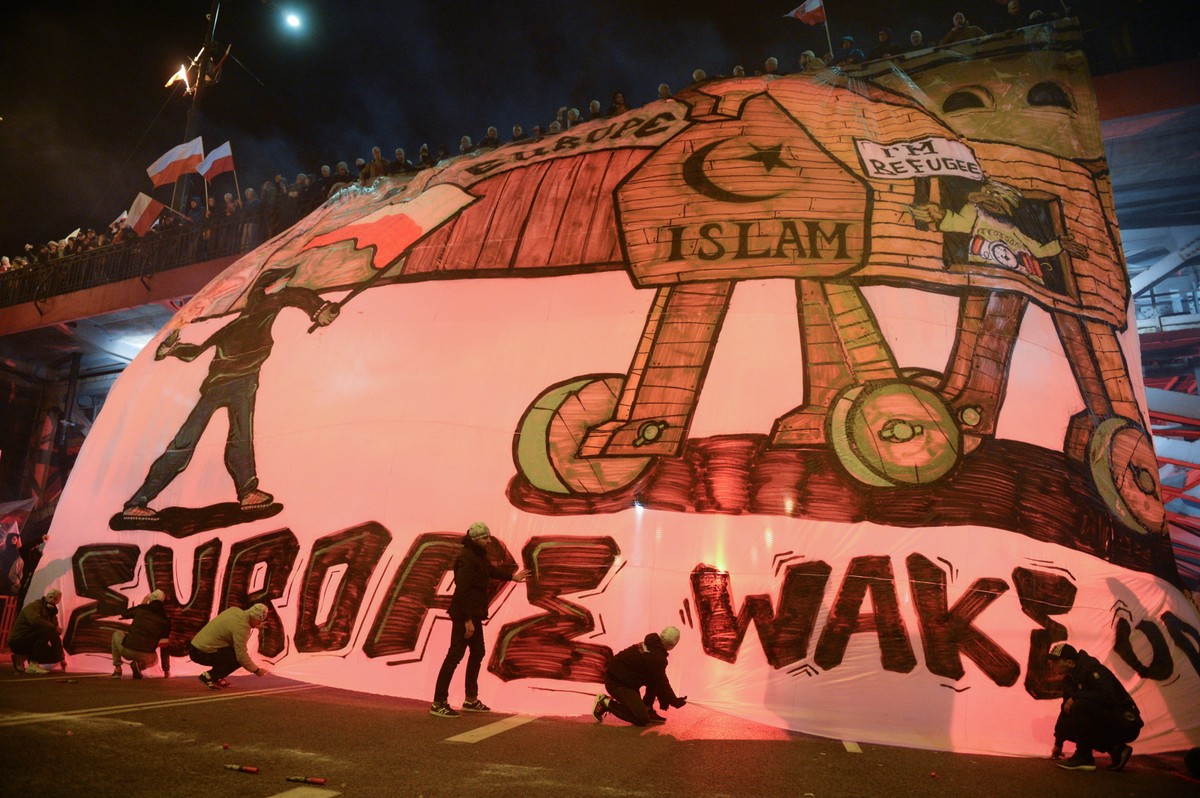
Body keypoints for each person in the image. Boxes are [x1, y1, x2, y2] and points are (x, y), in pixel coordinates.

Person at [121, 266, 340, 520]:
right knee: (187, 441)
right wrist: (319, 310)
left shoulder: (256, 316)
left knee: (239, 438)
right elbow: (291, 296)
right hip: (221, 385)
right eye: (278, 285)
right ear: (263, 291)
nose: (282, 289)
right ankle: (138, 501)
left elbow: (194, 352)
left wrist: (319, 310)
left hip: (243, 383)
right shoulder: (250, 316)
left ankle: (247, 491)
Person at [430, 522, 528, 718]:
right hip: (465, 614)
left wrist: (513, 577)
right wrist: (467, 620)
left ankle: (471, 699)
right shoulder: (466, 558)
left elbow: (490, 571)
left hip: (473, 613)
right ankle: (438, 702)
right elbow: (462, 590)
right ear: (475, 539)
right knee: (454, 656)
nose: (489, 540)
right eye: (485, 538)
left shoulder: (477, 556)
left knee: (477, 652)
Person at [1048, 642, 1142, 771]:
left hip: (1125, 723)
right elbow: (1065, 709)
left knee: (1080, 705)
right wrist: (1058, 743)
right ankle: (1116, 749)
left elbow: (1108, 697)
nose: (1051, 664)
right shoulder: (1069, 679)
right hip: (1106, 720)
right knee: (1064, 727)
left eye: (1055, 661)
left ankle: (1084, 757)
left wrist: (1076, 697)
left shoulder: (1092, 669)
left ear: (1069, 662)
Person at [592, 626, 686, 726]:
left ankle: (647, 708)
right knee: (642, 719)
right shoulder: (657, 658)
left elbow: (658, 680)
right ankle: (605, 702)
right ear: (673, 645)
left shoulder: (652, 644)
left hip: (624, 679)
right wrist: (674, 701)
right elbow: (663, 683)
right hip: (617, 683)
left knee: (654, 679)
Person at [189, 602, 271, 689]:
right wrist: (257, 670)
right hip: (201, 653)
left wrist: (255, 624)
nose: (260, 622)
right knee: (238, 659)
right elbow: (241, 656)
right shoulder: (242, 628)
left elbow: (233, 626)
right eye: (260, 620)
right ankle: (209, 676)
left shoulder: (234, 610)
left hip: (195, 647)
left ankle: (216, 677)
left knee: (230, 652)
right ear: (255, 617)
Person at [112, 590, 172, 679]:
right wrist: (166, 670)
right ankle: (139, 665)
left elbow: (125, 614)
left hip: (128, 651)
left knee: (116, 634)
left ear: (150, 600)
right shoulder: (165, 620)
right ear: (162, 602)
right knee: (155, 660)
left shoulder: (141, 609)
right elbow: (164, 647)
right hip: (146, 656)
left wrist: (142, 604)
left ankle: (117, 669)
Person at [8, 588, 65, 674]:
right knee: (47, 630)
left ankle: (22, 657)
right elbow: (35, 621)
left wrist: (61, 657)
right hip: (19, 640)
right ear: (46, 597)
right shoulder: (34, 606)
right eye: (50, 596)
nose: (52, 599)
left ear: (58, 602)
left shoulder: (52, 615)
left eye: (55, 598)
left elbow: (54, 636)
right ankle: (33, 664)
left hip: (32, 641)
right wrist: (54, 628)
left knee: (56, 655)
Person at [0, 531, 22, 595]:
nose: (13, 540)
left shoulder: (18, 553)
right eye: (12, 538)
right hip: (4, 575)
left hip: (14, 576)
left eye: (15, 539)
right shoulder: (3, 552)